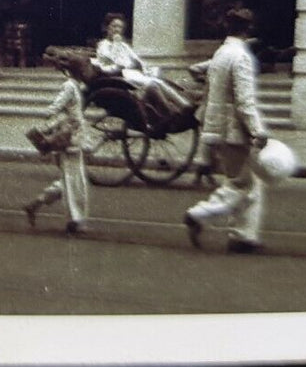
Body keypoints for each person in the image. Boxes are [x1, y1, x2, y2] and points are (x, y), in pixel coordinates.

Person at [183, 7, 270, 254]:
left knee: (249, 183)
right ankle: (199, 214)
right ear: (248, 30)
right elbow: (244, 101)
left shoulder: (222, 53)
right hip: (234, 130)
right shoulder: (241, 57)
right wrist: (257, 130)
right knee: (240, 183)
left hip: (218, 127)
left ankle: (243, 236)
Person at [23, 51, 93, 236]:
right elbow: (53, 108)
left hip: (75, 138)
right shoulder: (69, 87)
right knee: (74, 182)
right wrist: (61, 122)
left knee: (69, 181)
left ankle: (35, 204)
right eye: (85, 67)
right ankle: (74, 222)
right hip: (68, 141)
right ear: (77, 70)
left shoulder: (77, 86)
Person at [94, 12, 193, 116]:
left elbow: (137, 59)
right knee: (154, 84)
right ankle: (169, 111)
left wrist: (145, 68)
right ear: (107, 28)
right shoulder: (103, 45)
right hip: (119, 75)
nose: (117, 30)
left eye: (120, 27)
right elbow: (114, 62)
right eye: (114, 26)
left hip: (133, 73)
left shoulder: (123, 45)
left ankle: (183, 105)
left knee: (159, 81)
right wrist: (116, 44)